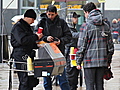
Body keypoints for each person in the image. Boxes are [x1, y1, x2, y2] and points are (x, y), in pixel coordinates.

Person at [76, 2, 114, 90]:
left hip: (89, 61)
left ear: (87, 12)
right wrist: (108, 60)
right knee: (99, 85)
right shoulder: (106, 26)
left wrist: (78, 61)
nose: (85, 16)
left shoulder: (85, 26)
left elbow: (81, 46)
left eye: (84, 13)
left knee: (89, 85)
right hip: (102, 61)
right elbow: (110, 47)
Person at [35, 5, 71, 90]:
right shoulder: (42, 22)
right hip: (45, 54)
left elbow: (69, 36)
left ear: (56, 14)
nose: (50, 16)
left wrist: (60, 41)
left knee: (62, 78)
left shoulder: (61, 22)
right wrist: (45, 38)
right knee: (46, 79)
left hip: (58, 53)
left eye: (52, 14)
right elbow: (36, 35)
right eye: (48, 14)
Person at [10, 9, 43, 90]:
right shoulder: (18, 27)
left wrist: (37, 45)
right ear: (28, 17)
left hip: (28, 55)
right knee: (24, 80)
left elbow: (29, 41)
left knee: (30, 80)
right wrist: (36, 37)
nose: (33, 22)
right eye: (32, 19)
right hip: (21, 56)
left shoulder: (27, 27)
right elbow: (23, 40)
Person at [65, 12, 82, 90]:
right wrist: (83, 34)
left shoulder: (73, 28)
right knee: (71, 74)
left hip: (74, 55)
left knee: (74, 74)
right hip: (70, 55)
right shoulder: (67, 29)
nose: (76, 19)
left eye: (77, 17)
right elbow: (73, 35)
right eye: (74, 17)